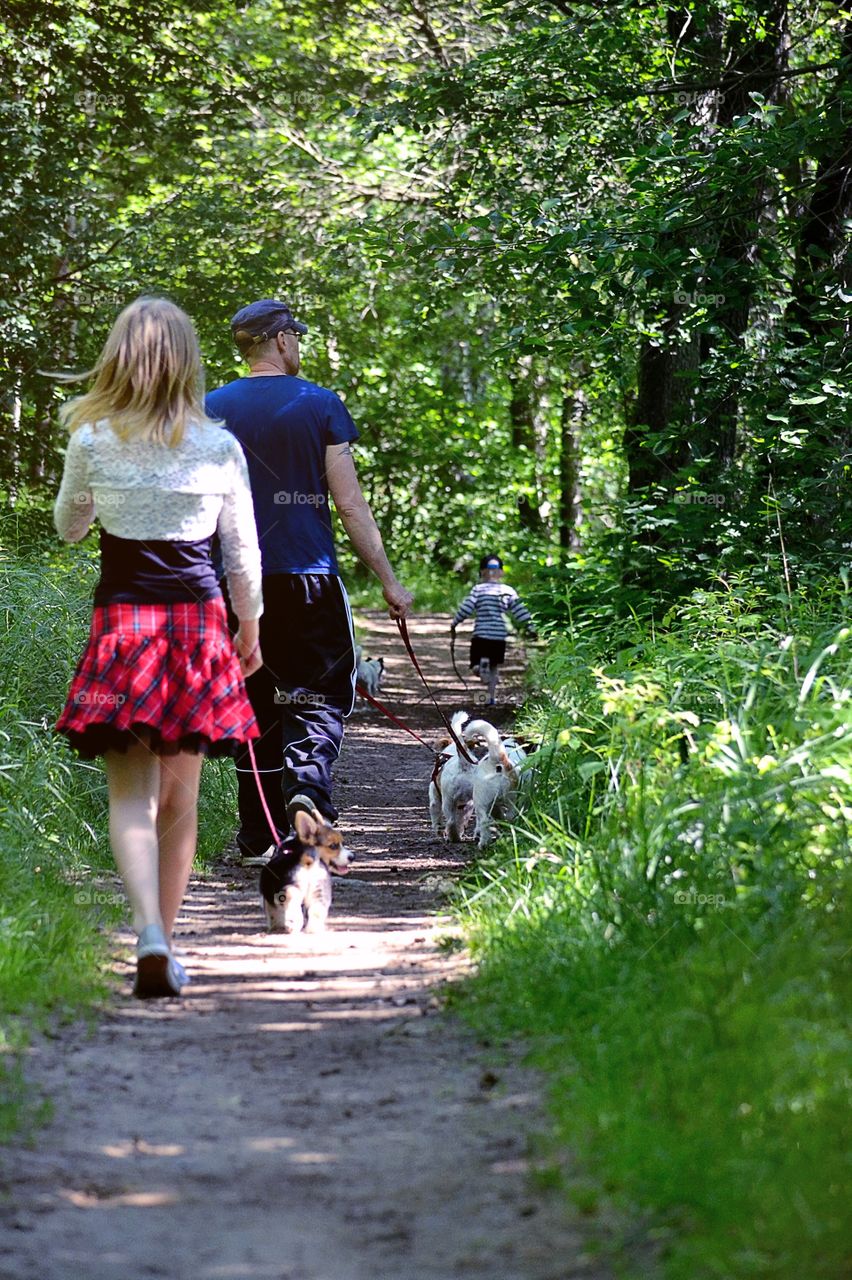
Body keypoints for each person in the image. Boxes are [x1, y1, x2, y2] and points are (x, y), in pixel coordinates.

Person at [54, 297, 263, 999]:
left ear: (118, 356)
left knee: (129, 796)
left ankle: (145, 935)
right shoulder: (218, 445)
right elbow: (241, 556)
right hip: (197, 631)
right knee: (182, 794)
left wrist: (98, 499)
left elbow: (70, 528)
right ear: (188, 361)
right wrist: (252, 627)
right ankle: (167, 946)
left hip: (122, 629)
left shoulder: (91, 439)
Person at [206, 299, 413, 863]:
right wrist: (389, 583)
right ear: (277, 340)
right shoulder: (319, 404)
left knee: (254, 704)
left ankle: (257, 837)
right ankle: (307, 790)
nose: (297, 344)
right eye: (294, 335)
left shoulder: (208, 409)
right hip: (308, 580)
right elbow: (350, 506)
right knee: (318, 699)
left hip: (234, 584)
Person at [451, 554, 537, 705]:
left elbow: (466, 608)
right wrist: (531, 627)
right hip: (498, 636)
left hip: (481, 636)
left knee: (476, 664)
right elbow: (520, 611)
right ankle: (490, 697)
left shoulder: (478, 590)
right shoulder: (508, 591)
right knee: (494, 667)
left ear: (481, 571)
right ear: (501, 572)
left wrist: (455, 622)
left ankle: (480, 669)